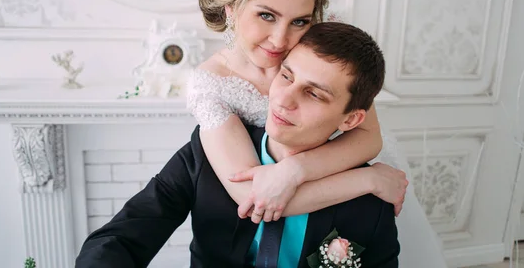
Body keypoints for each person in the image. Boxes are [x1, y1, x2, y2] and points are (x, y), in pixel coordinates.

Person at [187, 0, 447, 268]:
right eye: (266, 15)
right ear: (231, 8)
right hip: (336, 193)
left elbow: (368, 137)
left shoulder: (322, 44)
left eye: (299, 21)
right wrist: (367, 180)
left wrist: (293, 171)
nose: (281, 41)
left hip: (357, 204)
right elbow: (255, 197)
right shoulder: (211, 84)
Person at [76, 22, 400, 268]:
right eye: (286, 76)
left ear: (351, 120)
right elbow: (120, 238)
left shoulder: (369, 205)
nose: (283, 100)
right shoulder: (207, 156)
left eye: (313, 93)